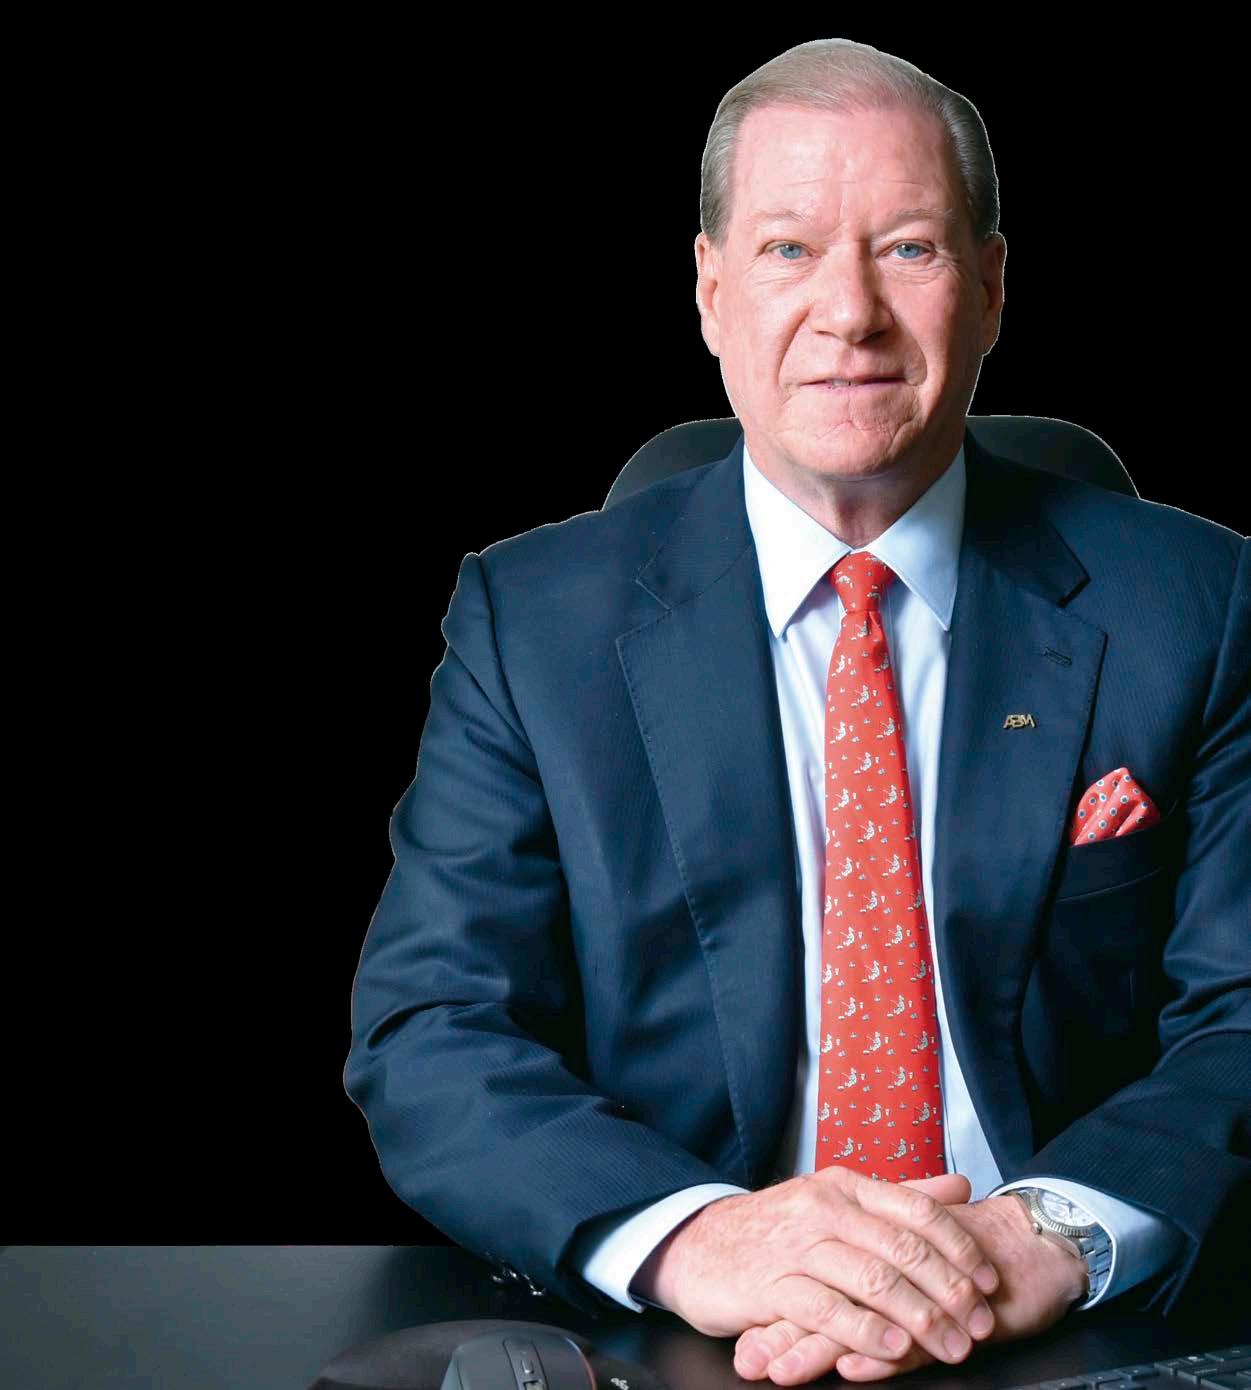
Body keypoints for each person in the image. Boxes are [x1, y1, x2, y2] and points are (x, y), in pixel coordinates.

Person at [344, 38, 1249, 1386]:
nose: (850, 313)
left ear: (993, 287)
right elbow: (430, 1029)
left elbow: (1247, 1012)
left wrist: (1049, 1234)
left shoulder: (1203, 604)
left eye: (908, 249)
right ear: (710, 292)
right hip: (693, 1338)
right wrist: (703, 1239)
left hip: (1079, 1327)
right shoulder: (531, 625)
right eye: (787, 250)